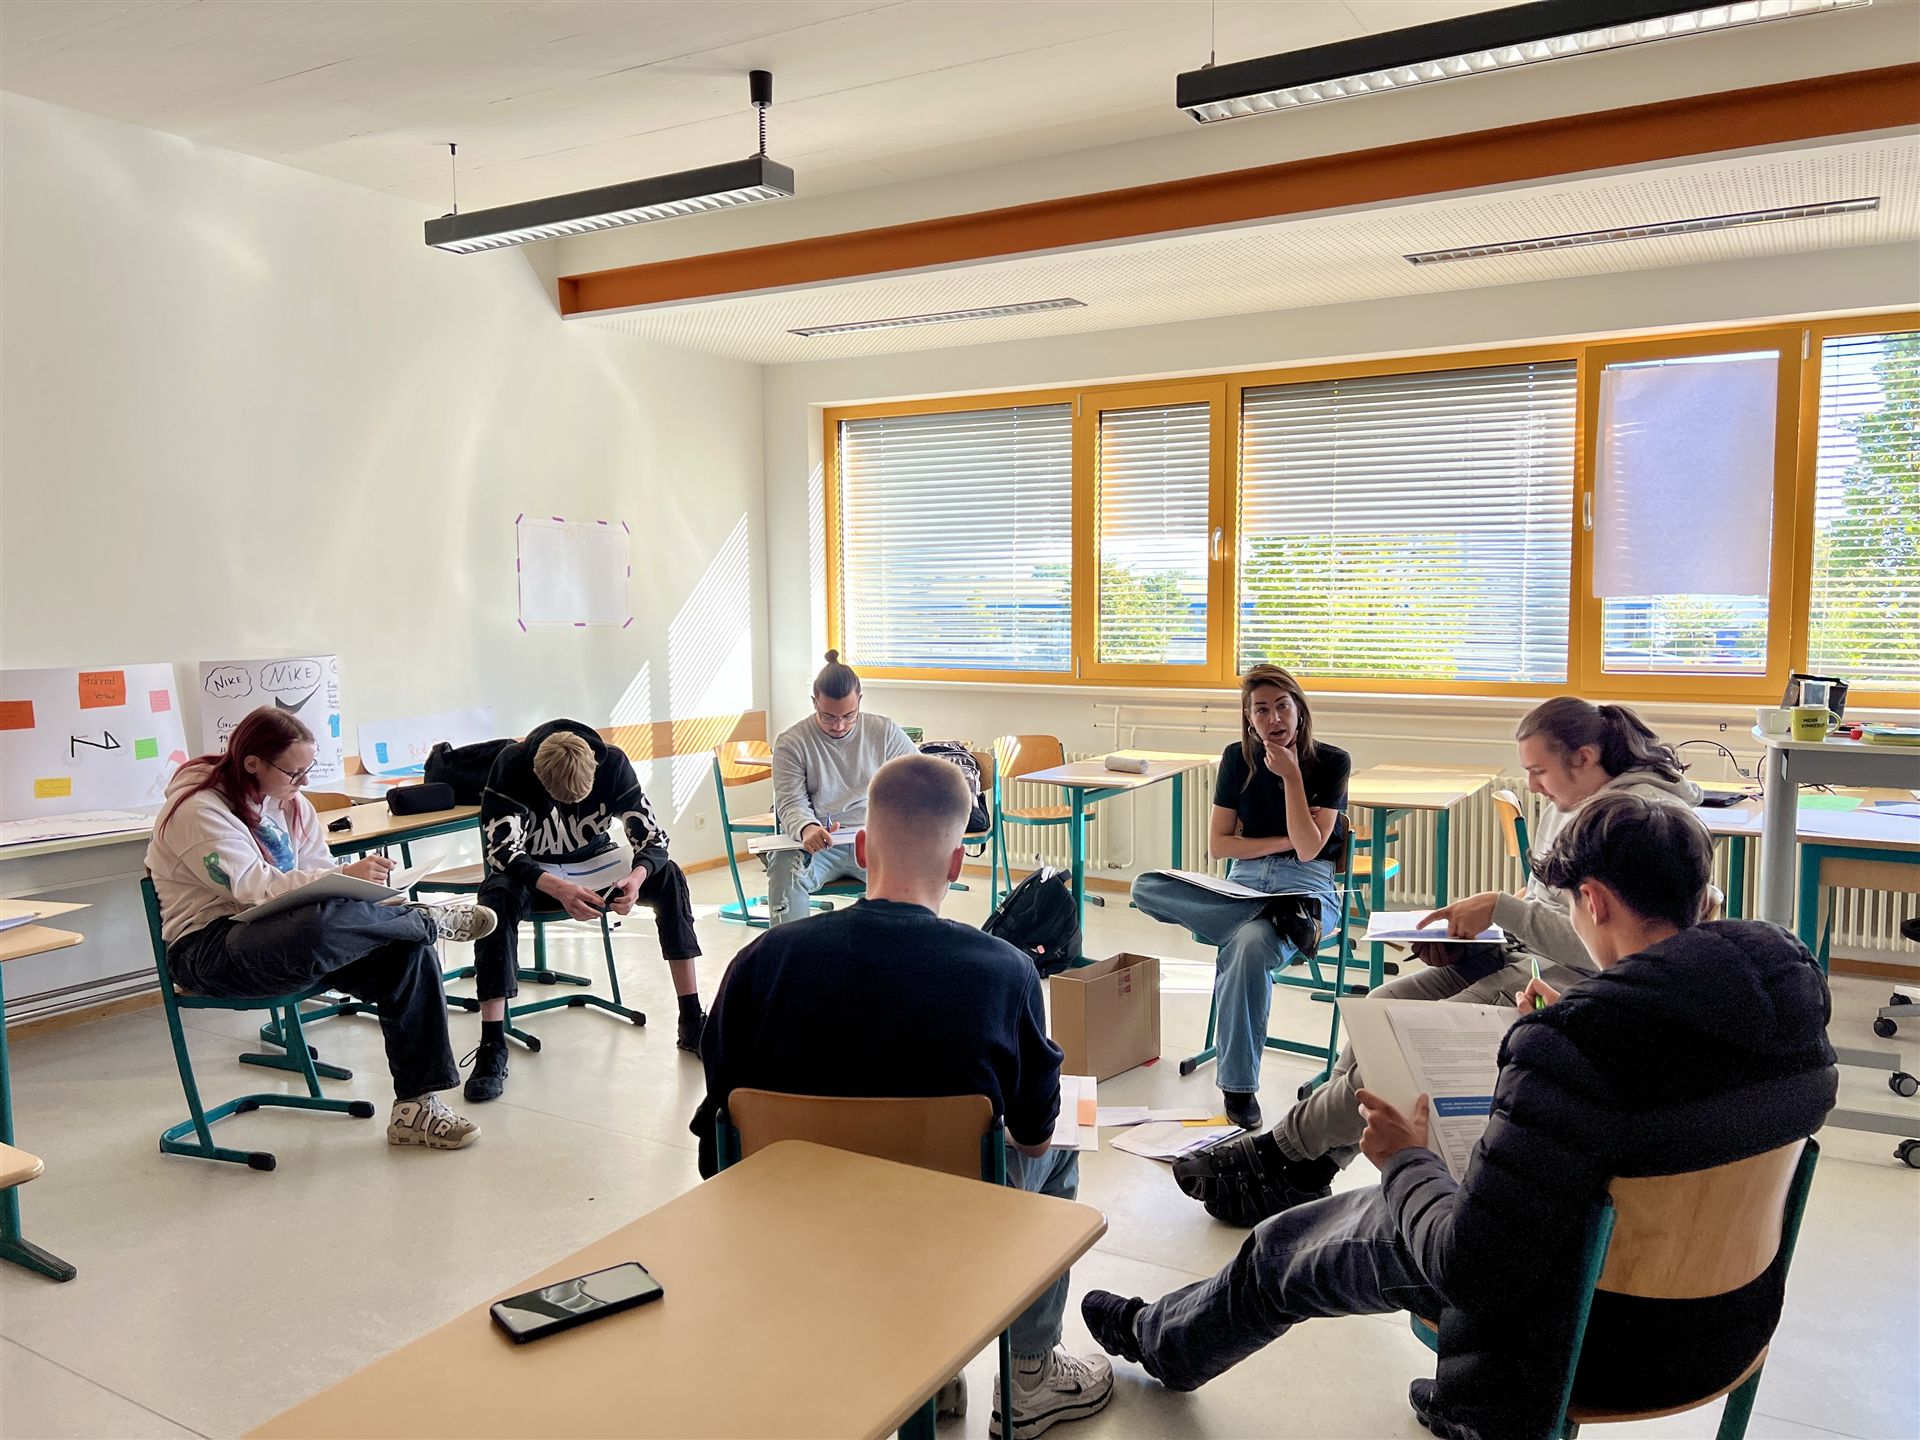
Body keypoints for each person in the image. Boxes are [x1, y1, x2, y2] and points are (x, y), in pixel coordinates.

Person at [1082, 793, 1837, 1440]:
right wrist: (1562, 1034)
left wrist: (1405, 1159)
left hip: (1576, 1340)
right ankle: (1442, 1398)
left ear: (1595, 902)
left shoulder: (1573, 1048)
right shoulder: (1785, 1003)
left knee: (1286, 1247)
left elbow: (1469, 1269)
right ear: (1701, 899)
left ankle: (1162, 1341)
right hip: (1725, 1326)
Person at [692, 755, 1112, 1440]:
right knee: (1065, 1139)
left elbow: (717, 1136)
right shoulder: (1005, 972)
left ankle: (927, 1371)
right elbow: (1035, 1138)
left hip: (792, 1227)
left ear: (862, 848)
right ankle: (1029, 1375)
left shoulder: (762, 961)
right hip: (950, 1226)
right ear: (957, 864)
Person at [1173, 696, 1703, 1224]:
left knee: (1402, 1050)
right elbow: (1545, 905)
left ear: (1584, 758)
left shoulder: (1632, 823)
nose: (1534, 786)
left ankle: (1284, 1151)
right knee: (1380, 1006)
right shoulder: (1573, 802)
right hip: (1524, 954)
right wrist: (1480, 936)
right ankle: (1314, 1163)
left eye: (1539, 772)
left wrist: (1502, 909)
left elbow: (1606, 942)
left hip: (1561, 976)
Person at [145, 706, 491, 1149]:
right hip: (209, 949)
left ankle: (416, 1108)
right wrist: (344, 878)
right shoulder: (197, 811)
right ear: (252, 764)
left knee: (405, 950)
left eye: (307, 769)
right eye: (294, 772)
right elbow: (253, 889)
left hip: (291, 938)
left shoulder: (292, 805)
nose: (304, 781)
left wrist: (356, 885)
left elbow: (318, 879)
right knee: (319, 927)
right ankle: (422, 918)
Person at [1131, 666, 1348, 1131]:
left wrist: (1292, 778)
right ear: (1249, 717)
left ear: (1300, 709)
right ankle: (1272, 913)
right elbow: (1219, 846)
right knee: (1145, 886)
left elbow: (1309, 850)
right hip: (1244, 885)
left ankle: (1238, 1088)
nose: (1274, 719)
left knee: (1248, 945)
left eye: (1283, 706)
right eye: (1262, 710)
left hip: (1306, 887)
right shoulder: (1237, 758)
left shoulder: (1332, 762)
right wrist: (1284, 840)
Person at [464, 719, 703, 1102]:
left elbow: (653, 839)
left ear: (594, 768)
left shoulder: (614, 764)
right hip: (535, 873)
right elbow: (502, 851)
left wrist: (636, 879)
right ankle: (492, 1044)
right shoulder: (511, 764)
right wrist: (557, 887)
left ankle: (691, 1018)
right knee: (495, 900)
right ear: (537, 774)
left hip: (595, 864)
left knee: (669, 876)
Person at [763, 649, 917, 926]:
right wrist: (807, 828)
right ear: (814, 703)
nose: (839, 725)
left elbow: (919, 778)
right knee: (784, 867)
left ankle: (901, 948)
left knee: (913, 870)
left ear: (860, 701)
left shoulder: (884, 732)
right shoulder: (792, 742)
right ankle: (790, 948)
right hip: (820, 843)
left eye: (849, 715)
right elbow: (790, 801)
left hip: (874, 840)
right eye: (828, 717)